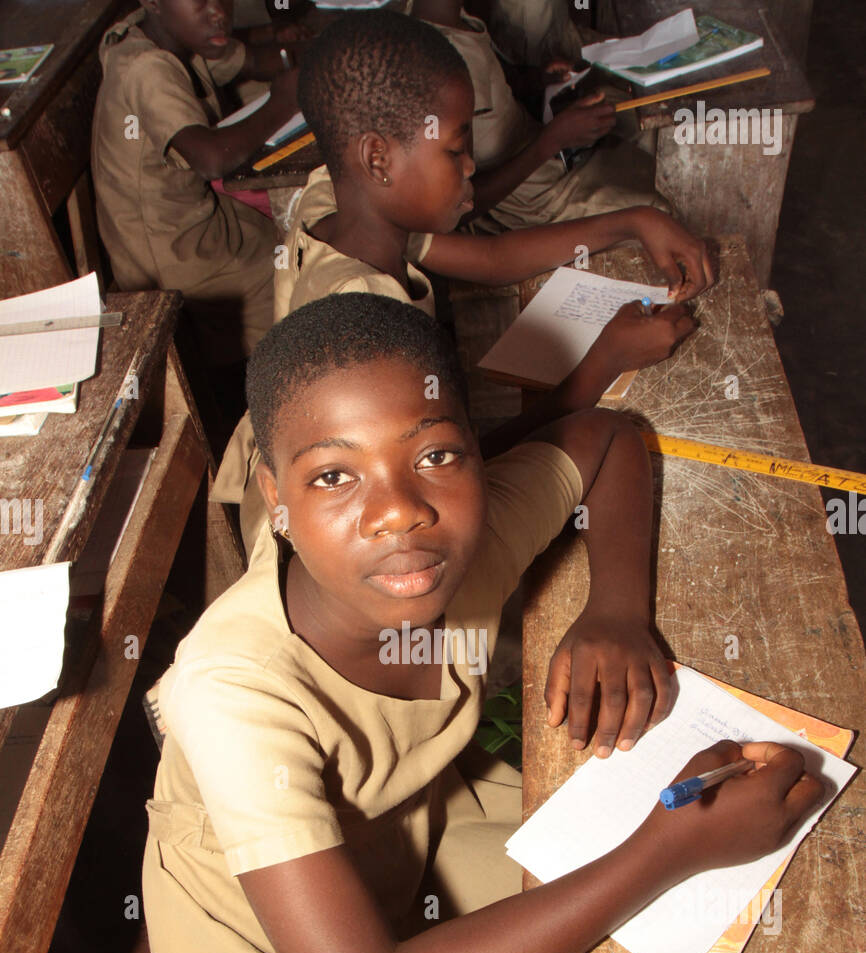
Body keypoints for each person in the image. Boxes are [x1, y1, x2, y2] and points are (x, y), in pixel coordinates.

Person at [142, 292, 822, 953]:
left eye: (435, 455)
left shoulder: (450, 544)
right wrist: (666, 844)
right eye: (334, 473)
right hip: (265, 950)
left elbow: (604, 437)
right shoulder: (231, 691)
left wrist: (617, 611)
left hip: (401, 820)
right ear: (272, 498)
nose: (398, 508)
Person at [214, 8, 710, 551]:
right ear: (378, 159)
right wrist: (605, 360)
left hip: (307, 489)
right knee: (609, 453)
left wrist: (633, 221)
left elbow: (493, 258)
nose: (472, 166)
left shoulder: (334, 198)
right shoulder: (365, 309)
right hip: (340, 545)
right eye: (455, 148)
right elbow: (456, 470)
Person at [91, 0, 303, 366]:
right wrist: (282, 103)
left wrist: (305, 55)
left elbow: (252, 60)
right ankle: (282, 381)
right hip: (175, 259)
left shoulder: (172, 32)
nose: (219, 11)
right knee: (305, 283)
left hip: (198, 224)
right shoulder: (146, 68)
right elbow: (211, 158)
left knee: (301, 236)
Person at [408, 0, 665, 232]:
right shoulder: (431, 59)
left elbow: (492, 82)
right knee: (663, 208)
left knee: (653, 126)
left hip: (548, 155)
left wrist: (538, 80)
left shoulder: (452, 16)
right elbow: (454, 208)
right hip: (533, 201)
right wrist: (551, 141)